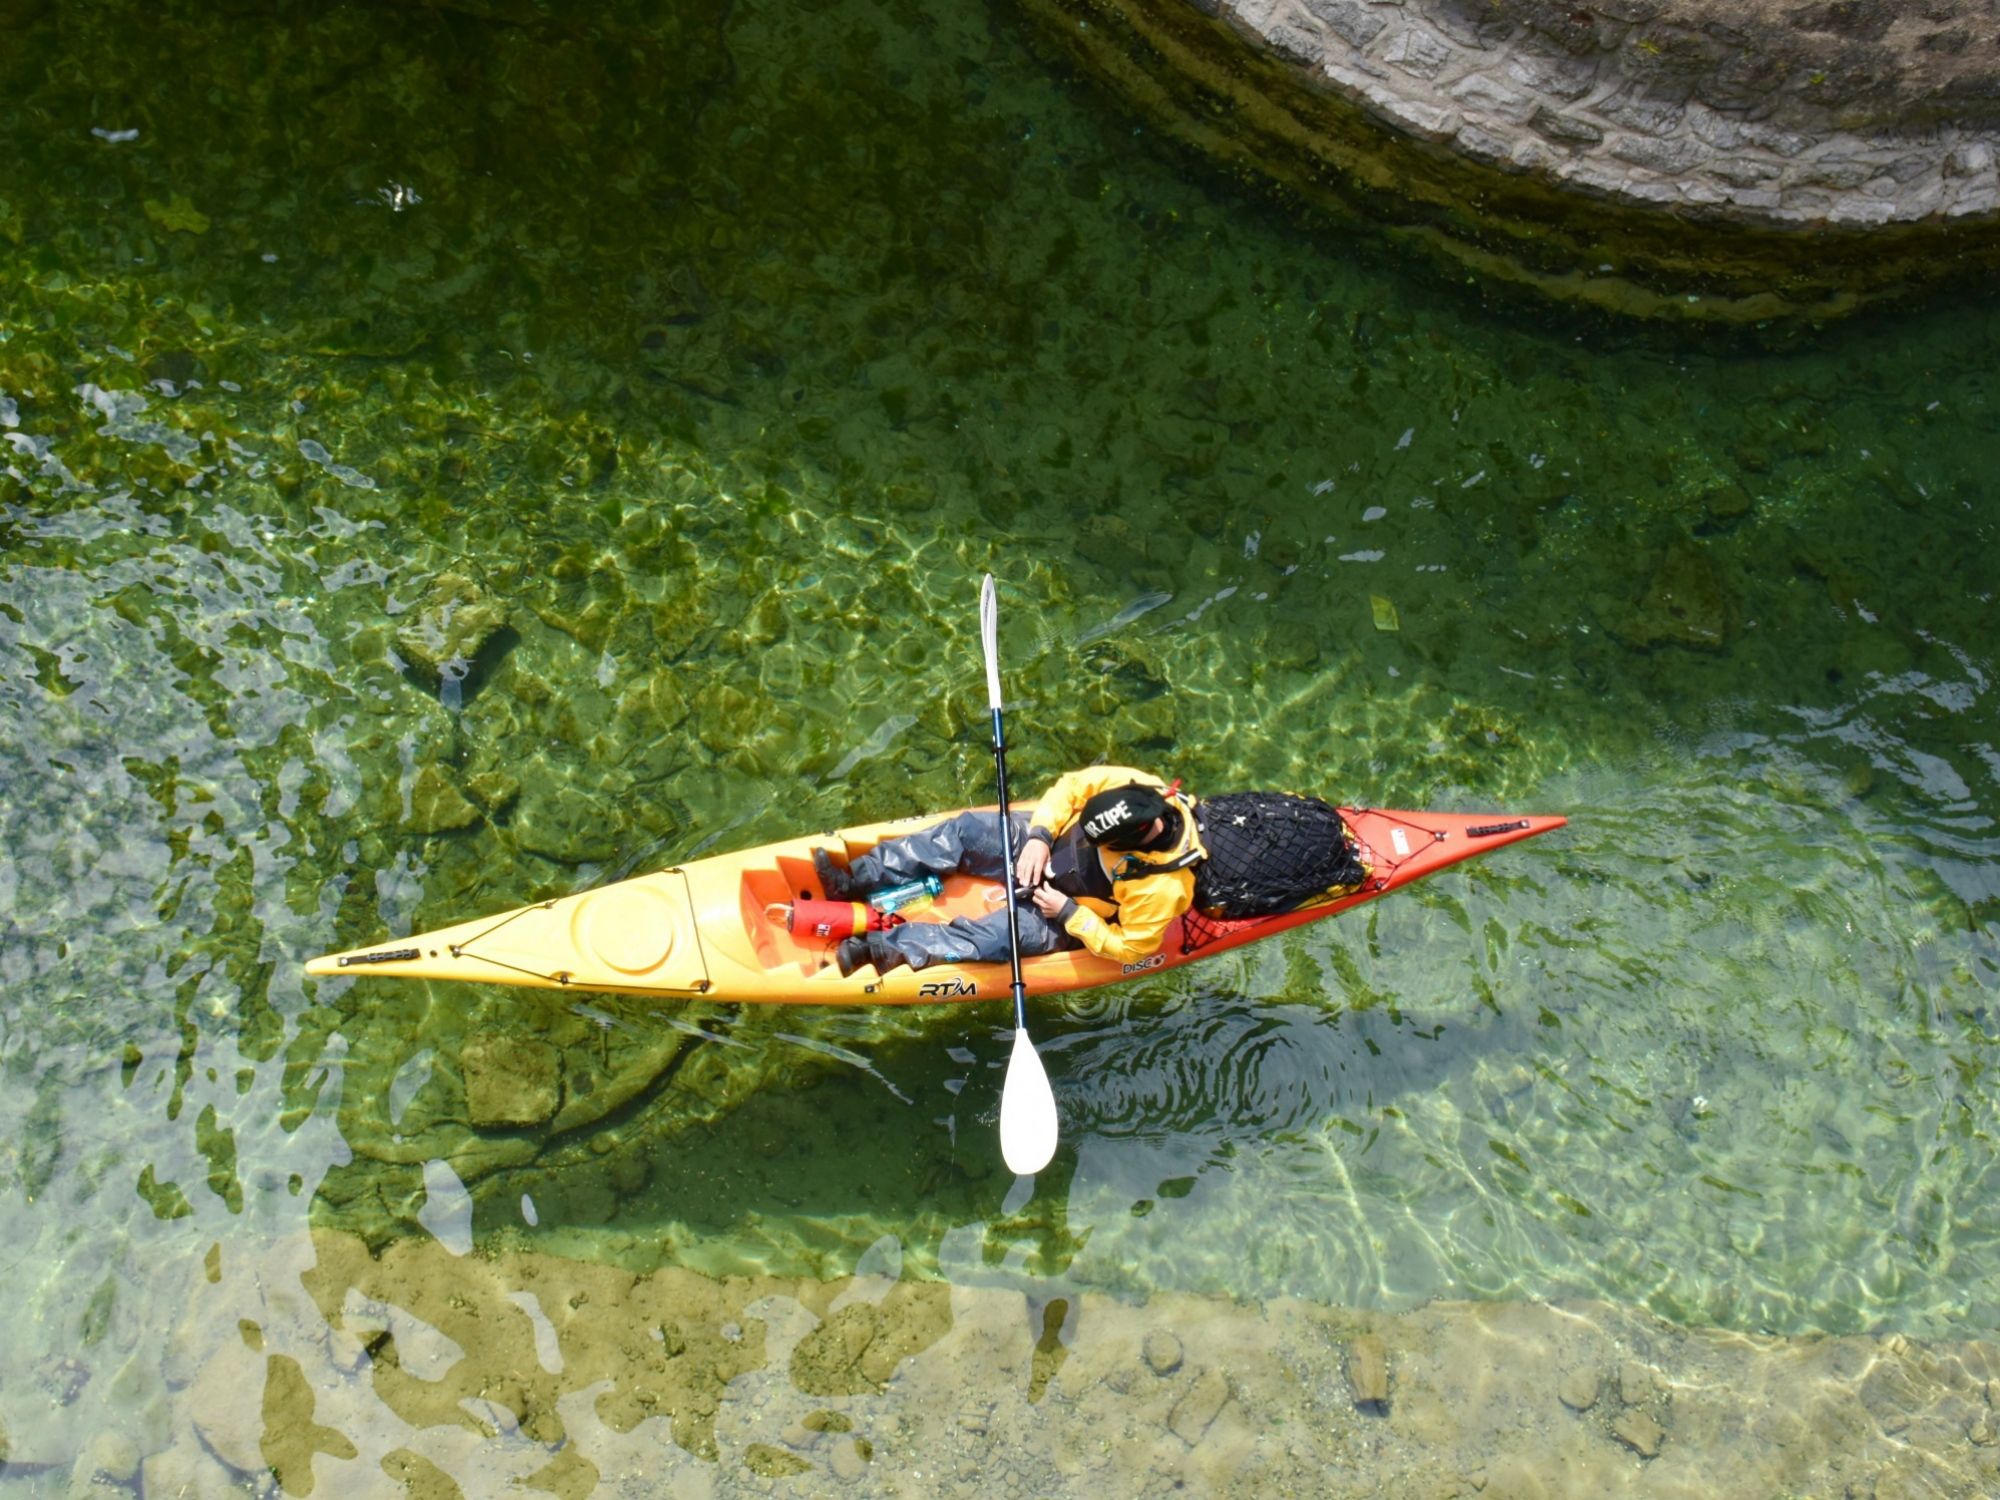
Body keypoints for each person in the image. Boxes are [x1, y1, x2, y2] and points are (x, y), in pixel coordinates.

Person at [815, 766, 1207, 977]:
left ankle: (883, 950)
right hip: (1041, 847)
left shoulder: (1162, 887)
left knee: (993, 940)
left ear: (1129, 843)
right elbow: (1071, 787)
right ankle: (853, 879)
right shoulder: (1133, 787)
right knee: (965, 831)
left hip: (1062, 910)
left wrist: (1070, 914)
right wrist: (1039, 835)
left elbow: (1134, 948)